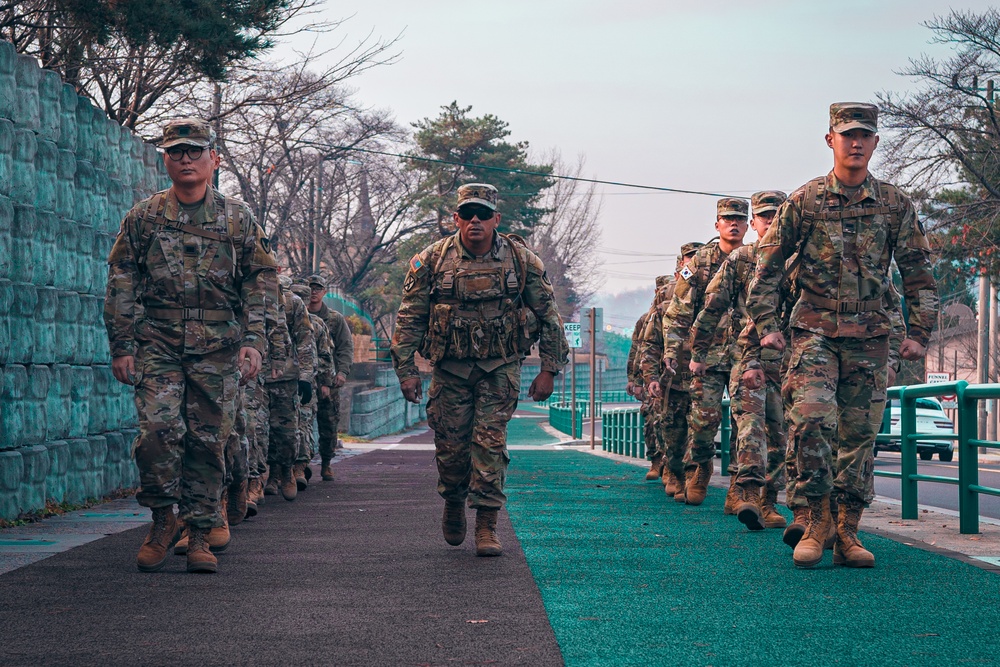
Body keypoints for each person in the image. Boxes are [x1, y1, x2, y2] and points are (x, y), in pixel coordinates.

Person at [746, 102, 938, 568]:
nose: (855, 143)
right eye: (847, 134)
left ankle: (848, 530)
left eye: (864, 135)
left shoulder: (894, 204)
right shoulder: (806, 201)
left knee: (859, 435)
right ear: (830, 140)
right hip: (814, 329)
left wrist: (919, 332)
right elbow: (766, 268)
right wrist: (768, 327)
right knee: (812, 419)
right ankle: (814, 520)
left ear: (875, 142)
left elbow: (917, 271)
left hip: (871, 335)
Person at [105, 117, 275, 574]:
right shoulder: (143, 218)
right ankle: (163, 520)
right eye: (176, 151)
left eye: (195, 151)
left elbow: (259, 283)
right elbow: (122, 281)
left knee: (207, 440)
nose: (185, 159)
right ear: (165, 159)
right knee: (157, 435)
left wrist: (254, 341)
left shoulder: (237, 218)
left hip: (218, 347)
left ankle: (199, 532)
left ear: (213, 159)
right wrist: (122, 344)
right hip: (157, 343)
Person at [391, 183, 568, 557]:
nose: (475, 220)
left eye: (484, 214)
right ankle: (453, 501)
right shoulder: (432, 260)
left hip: (499, 368)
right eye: (468, 213)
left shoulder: (521, 261)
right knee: (452, 450)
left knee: (489, 444)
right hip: (450, 370)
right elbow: (409, 319)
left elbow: (549, 317)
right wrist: (405, 369)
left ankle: (487, 522)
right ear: (455, 218)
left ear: (496, 219)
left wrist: (549, 369)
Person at [690, 191, 788, 529]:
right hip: (747, 357)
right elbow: (712, 305)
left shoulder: (802, 257)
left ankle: (770, 500)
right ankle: (746, 493)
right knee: (749, 426)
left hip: (793, 361)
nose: (771, 222)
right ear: (755, 223)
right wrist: (698, 352)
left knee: (781, 434)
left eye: (777, 215)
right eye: (764, 216)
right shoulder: (742, 260)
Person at [652, 200, 748, 506]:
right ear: (717, 224)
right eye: (727, 219)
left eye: (739, 220)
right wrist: (671, 349)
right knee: (703, 422)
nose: (734, 224)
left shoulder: (756, 257)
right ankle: (700, 469)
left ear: (747, 225)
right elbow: (679, 310)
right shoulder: (700, 262)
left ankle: (739, 486)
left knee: (746, 422)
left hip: (746, 354)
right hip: (704, 356)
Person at [639, 242, 703, 498]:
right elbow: (651, 342)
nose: (692, 265)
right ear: (679, 269)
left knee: (700, 432)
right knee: (673, 436)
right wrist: (650, 377)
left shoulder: (714, 295)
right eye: (688, 260)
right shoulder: (665, 301)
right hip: (673, 381)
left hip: (703, 377)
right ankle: (674, 470)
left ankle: (694, 477)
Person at [307, 274, 354, 481]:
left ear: (325, 292)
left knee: (328, 423)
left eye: (318, 288)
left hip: (329, 379)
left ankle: (326, 462)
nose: (313, 292)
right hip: (305, 378)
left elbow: (345, 348)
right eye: (310, 288)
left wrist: (342, 372)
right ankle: (300, 464)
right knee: (301, 423)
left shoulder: (335, 319)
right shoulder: (298, 316)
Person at [291, 282, 334, 488]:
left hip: (309, 382)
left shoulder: (316, 324)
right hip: (283, 381)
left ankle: (301, 464)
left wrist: (325, 383)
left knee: (304, 424)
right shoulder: (282, 321)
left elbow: (326, 357)